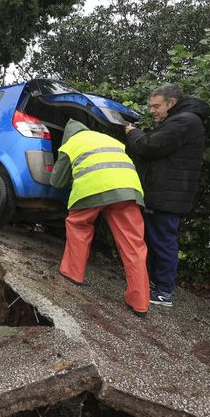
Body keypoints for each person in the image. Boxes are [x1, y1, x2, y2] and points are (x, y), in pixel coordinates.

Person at [51, 119, 150, 317]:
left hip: (92, 188)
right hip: (128, 190)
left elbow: (57, 181)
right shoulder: (111, 140)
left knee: (79, 226)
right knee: (134, 245)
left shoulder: (71, 144)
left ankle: (73, 273)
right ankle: (140, 303)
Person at [125, 84, 210, 307]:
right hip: (165, 194)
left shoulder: (184, 121)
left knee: (163, 242)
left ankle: (163, 291)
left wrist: (133, 133)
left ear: (171, 103)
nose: (152, 110)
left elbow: (150, 147)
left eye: (156, 106)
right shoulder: (181, 120)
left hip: (168, 196)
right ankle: (156, 285)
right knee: (158, 240)